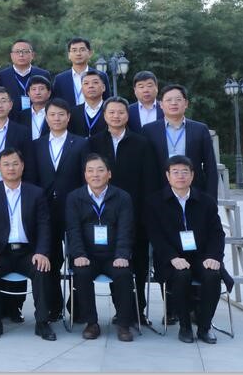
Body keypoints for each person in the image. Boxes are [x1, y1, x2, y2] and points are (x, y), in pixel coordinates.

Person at [146, 155, 232, 344]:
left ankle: (204, 327)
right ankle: (185, 326)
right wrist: (172, 257)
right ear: (167, 176)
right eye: (175, 172)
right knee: (181, 274)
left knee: (213, 275)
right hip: (171, 258)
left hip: (201, 256)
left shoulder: (206, 201)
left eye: (185, 172)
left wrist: (213, 256)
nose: (180, 176)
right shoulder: (155, 202)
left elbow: (217, 233)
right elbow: (155, 236)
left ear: (192, 175)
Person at [88, 97, 160, 322]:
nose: (116, 116)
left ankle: (138, 310)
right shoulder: (94, 142)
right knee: (115, 263)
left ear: (127, 115)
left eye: (121, 112)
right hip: (104, 214)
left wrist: (146, 213)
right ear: (104, 115)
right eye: (111, 112)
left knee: (138, 264)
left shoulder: (141, 143)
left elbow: (150, 181)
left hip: (136, 213)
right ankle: (121, 310)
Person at [0, 148, 54, 340]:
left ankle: (42, 323)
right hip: (1, 252)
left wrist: (42, 252)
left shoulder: (35, 193)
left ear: (22, 166)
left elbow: (44, 225)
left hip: (28, 252)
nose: (11, 168)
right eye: (6, 164)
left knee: (42, 268)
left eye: (15, 164)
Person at [24, 98, 89, 321]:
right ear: (46, 117)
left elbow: (85, 178)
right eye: (52, 114)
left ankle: (77, 307)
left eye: (61, 114)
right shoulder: (36, 144)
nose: (57, 118)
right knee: (49, 258)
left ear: (68, 117)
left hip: (74, 209)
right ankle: (53, 306)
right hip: (45, 210)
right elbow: (31, 178)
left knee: (77, 256)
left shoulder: (81, 143)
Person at [64, 153, 136, 342]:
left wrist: (122, 255)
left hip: (114, 255)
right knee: (81, 272)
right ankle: (91, 323)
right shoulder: (74, 197)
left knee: (123, 274)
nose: (95, 174)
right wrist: (78, 254)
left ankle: (124, 323)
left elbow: (126, 229)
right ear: (85, 174)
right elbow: (73, 229)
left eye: (100, 170)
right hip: (87, 255)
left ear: (109, 173)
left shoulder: (122, 197)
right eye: (90, 170)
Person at [142, 84, 219, 197]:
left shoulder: (200, 129)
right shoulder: (149, 130)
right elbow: (145, 167)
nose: (173, 103)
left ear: (186, 103)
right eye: (169, 100)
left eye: (178, 99)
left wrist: (211, 199)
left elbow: (210, 166)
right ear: (161, 104)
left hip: (194, 191)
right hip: (160, 191)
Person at [0, 40, 51, 115]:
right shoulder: (1, 76)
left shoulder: (43, 74)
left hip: (37, 116)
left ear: (32, 55)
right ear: (11, 55)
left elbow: (50, 99)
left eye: (25, 51)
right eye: (17, 52)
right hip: (11, 116)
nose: (21, 55)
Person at [51, 37, 111, 107]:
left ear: (90, 53)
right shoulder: (60, 79)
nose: (78, 53)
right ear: (69, 55)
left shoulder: (101, 76)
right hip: (69, 114)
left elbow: (107, 101)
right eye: (74, 50)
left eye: (82, 50)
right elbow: (56, 103)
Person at [68, 69, 109, 138]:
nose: (91, 86)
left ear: (103, 87)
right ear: (82, 89)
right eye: (86, 83)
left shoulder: (111, 111)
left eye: (95, 82)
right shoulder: (72, 112)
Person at [18, 75, 52, 142]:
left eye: (41, 89)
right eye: (34, 89)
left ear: (49, 93)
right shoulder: (20, 116)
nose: (37, 93)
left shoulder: (55, 114)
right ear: (28, 93)